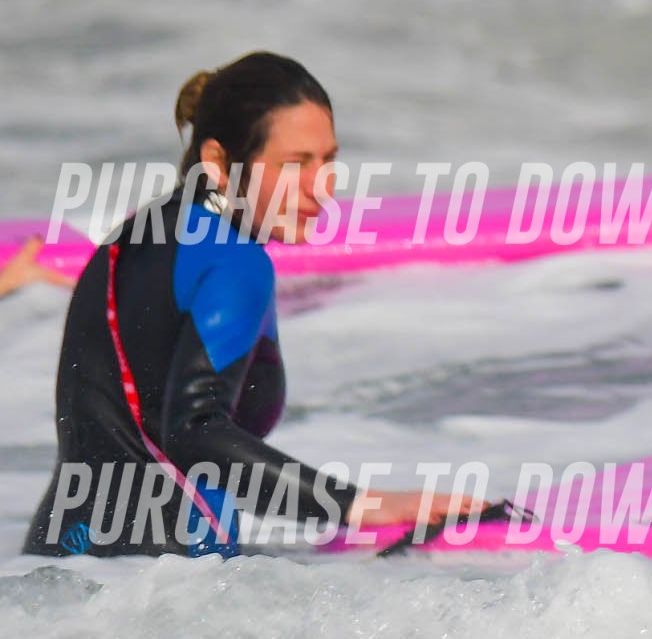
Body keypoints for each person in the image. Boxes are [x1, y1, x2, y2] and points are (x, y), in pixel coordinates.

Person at [22, 56, 488, 557]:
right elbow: (195, 432)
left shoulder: (130, 238)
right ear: (219, 162)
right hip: (168, 567)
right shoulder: (235, 261)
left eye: (328, 160)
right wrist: (359, 505)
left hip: (62, 547)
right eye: (295, 164)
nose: (321, 187)